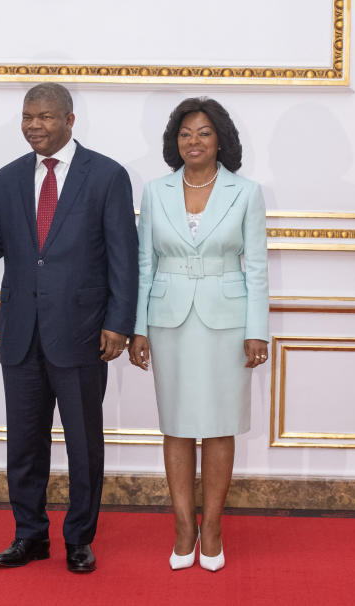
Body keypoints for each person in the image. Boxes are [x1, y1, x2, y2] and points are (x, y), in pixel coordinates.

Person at [0, 83, 138, 573]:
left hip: (84, 334)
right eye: (27, 116)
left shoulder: (107, 175)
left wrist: (119, 323)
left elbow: (124, 258)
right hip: (22, 333)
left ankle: (79, 540)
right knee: (24, 443)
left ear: (70, 120)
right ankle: (29, 536)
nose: (34, 126)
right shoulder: (8, 178)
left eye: (44, 117)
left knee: (84, 445)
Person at [128, 97, 269, 572]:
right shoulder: (155, 191)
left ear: (220, 139)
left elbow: (257, 268)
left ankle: (213, 527)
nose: (194, 141)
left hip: (228, 324)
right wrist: (137, 327)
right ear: (175, 141)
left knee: (219, 425)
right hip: (168, 321)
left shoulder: (245, 192)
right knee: (178, 425)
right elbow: (145, 263)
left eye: (204, 132)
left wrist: (257, 331)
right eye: (186, 132)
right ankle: (183, 526)